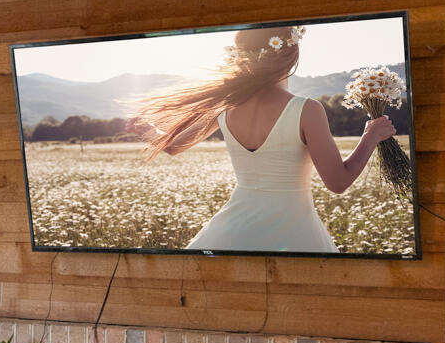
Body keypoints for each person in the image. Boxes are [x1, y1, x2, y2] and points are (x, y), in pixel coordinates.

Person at [136, 25, 396, 254]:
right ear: (290, 56)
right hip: (296, 232)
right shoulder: (306, 109)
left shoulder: (224, 107)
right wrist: (370, 136)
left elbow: (173, 146)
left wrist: (141, 127)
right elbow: (338, 182)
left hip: (231, 232)